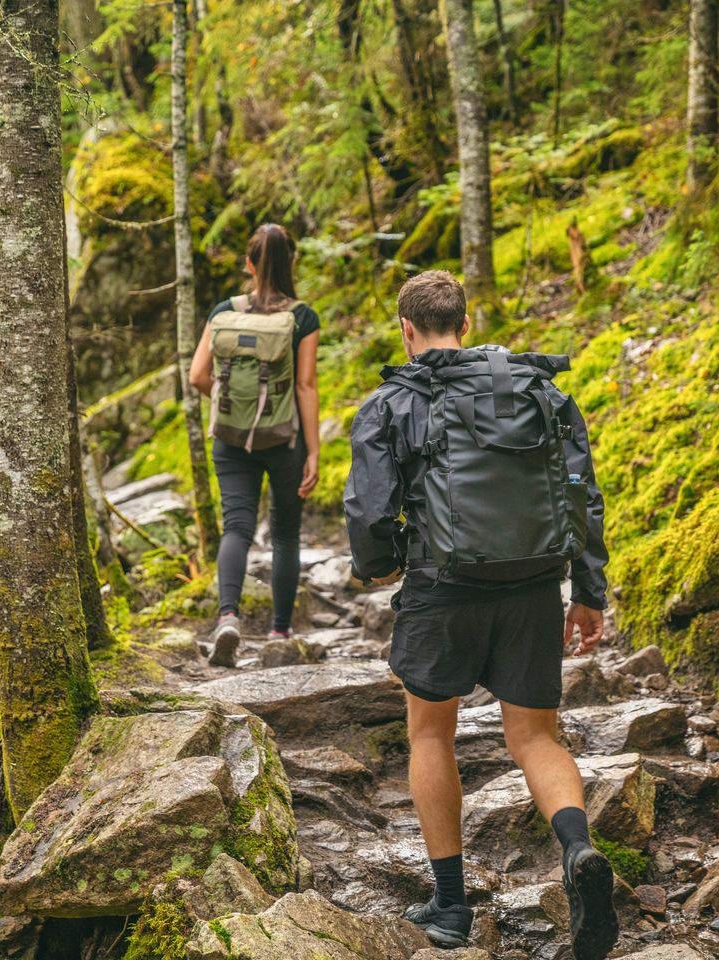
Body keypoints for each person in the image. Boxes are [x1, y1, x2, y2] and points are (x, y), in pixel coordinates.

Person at [344, 270, 617, 959]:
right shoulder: (540, 392)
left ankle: (451, 907)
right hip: (531, 586)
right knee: (536, 737)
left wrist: (377, 564)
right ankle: (579, 851)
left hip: (441, 587)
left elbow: (371, 513)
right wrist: (588, 590)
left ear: (408, 330)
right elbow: (582, 494)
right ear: (465, 324)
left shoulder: (390, 404)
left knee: (431, 734)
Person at [190, 224, 320, 667]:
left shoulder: (224, 311)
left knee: (237, 527)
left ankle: (228, 617)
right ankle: (279, 632)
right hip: (285, 440)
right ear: (292, 262)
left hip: (230, 438)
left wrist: (235, 408)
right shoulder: (302, 317)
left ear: (249, 264)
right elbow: (305, 387)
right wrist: (315, 451)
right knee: (284, 532)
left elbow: (197, 376)